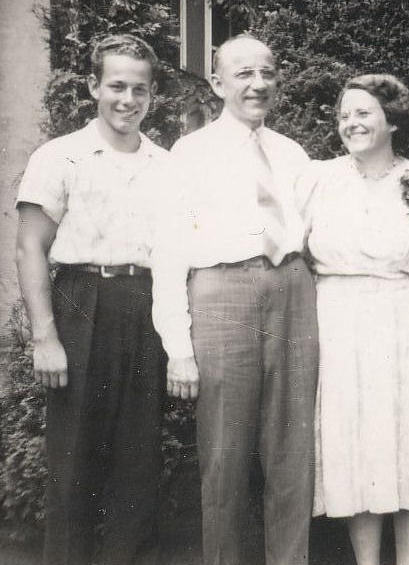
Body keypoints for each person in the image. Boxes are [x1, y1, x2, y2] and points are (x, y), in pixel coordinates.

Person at [151, 35, 318, 565]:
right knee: (223, 455)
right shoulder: (190, 152)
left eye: (267, 72)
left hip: (291, 289)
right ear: (218, 84)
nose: (259, 84)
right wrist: (178, 346)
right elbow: (169, 252)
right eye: (244, 74)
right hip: (222, 295)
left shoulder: (293, 154)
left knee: (292, 454)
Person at [15, 34, 168, 565]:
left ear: (152, 96)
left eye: (140, 90)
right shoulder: (60, 156)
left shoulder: (166, 164)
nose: (128, 99)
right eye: (117, 86)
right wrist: (45, 336)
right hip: (81, 302)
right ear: (93, 86)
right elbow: (30, 245)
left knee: (138, 466)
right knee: (74, 467)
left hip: (147, 307)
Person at [299, 74, 409, 565]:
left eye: (363, 113)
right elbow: (296, 254)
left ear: (392, 120)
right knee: (355, 441)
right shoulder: (319, 179)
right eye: (344, 115)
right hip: (341, 322)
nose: (351, 123)